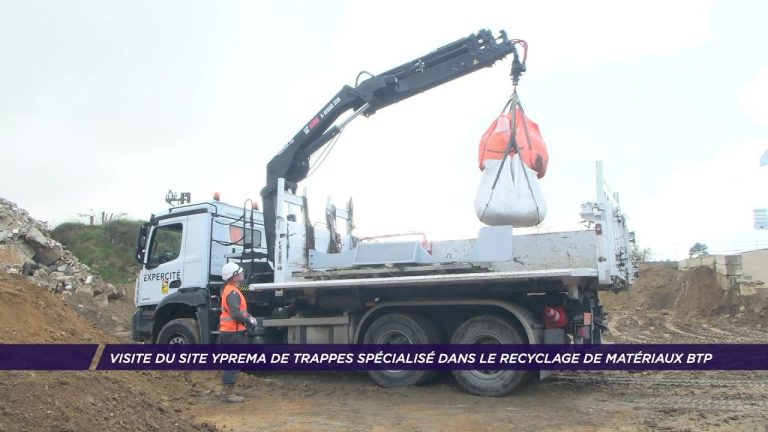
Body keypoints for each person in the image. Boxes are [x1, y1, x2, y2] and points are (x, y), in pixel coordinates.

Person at [219, 262, 258, 403]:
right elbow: (235, 314)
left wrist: (249, 317)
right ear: (234, 277)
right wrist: (249, 322)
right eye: (239, 272)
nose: (242, 274)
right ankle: (227, 394)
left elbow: (239, 312)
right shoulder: (233, 293)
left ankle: (227, 391)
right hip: (233, 333)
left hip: (232, 332)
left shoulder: (231, 290)